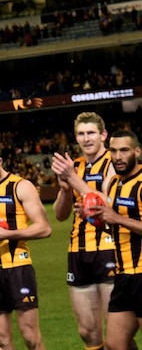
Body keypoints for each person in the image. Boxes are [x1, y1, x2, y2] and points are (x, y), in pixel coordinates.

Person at [0, 137, 52, 350]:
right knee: (0, 339)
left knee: (31, 337)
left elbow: (44, 228)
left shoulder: (21, 186)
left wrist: (6, 234)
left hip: (18, 268)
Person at [49, 111, 116, 350]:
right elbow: (60, 214)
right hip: (78, 251)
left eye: (91, 133)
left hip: (111, 250)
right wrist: (66, 189)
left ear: (103, 135)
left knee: (117, 332)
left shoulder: (114, 163)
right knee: (87, 331)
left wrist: (75, 180)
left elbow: (112, 203)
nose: (86, 138)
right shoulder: (74, 165)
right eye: (81, 134)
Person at [84, 129, 142, 350]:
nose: (118, 157)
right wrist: (98, 220)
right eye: (114, 151)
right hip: (124, 276)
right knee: (115, 346)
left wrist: (116, 217)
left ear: (137, 151)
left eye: (124, 150)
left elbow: (120, 220)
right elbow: (117, 228)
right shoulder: (115, 184)